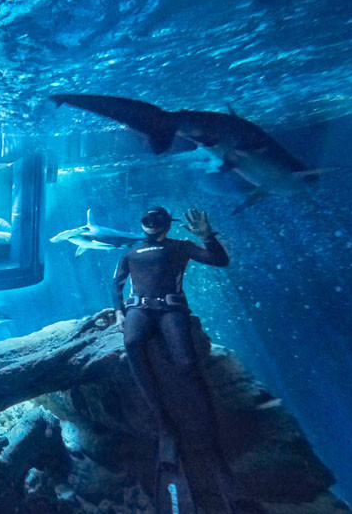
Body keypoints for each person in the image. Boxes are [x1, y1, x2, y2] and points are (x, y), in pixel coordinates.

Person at [111, 206, 263, 514]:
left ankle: (203, 434)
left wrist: (207, 236)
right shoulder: (132, 250)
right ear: (143, 224)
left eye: (157, 219)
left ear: (167, 224)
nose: (152, 223)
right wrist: (118, 311)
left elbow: (220, 261)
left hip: (171, 310)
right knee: (133, 345)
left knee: (187, 364)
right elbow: (117, 284)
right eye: (148, 219)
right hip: (140, 310)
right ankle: (165, 424)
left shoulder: (180, 246)